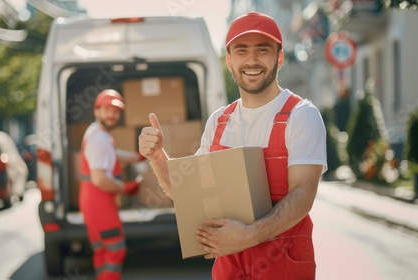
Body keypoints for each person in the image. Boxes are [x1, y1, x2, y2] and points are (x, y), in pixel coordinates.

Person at [138, 11, 327, 280]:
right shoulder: (219, 122)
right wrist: (157, 157)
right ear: (229, 60)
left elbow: (303, 196)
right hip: (230, 268)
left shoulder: (301, 115)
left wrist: (247, 236)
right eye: (241, 51)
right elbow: (188, 194)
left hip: (283, 265)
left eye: (263, 50)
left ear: (279, 57)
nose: (252, 60)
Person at [79, 89, 143, 280]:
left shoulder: (98, 133)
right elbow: (99, 179)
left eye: (115, 111)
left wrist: (137, 157)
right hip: (100, 203)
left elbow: (112, 155)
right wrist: (126, 188)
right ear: (97, 111)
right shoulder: (100, 138)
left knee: (101, 251)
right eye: (107, 109)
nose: (112, 115)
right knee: (116, 250)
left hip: (92, 202)